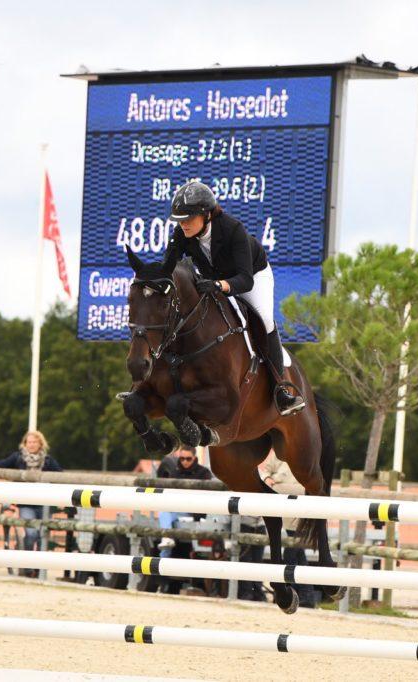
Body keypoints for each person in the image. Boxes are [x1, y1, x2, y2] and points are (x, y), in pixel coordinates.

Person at [162, 181, 306, 416]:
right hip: (214, 278)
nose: (183, 223)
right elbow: (168, 265)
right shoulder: (183, 233)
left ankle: (281, 389)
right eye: (180, 219)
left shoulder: (233, 229)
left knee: (264, 320)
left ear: (206, 215)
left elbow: (245, 280)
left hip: (251, 276)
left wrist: (220, 285)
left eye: (188, 218)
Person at [0, 430, 62, 557]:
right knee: (31, 534)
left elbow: (61, 476)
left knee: (42, 535)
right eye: (29, 442)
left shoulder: (48, 461)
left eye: (34, 442)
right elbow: (1, 465)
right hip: (26, 503)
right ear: (25, 444)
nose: (31, 445)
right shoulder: (18, 458)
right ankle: (27, 567)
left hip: (44, 503)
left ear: (40, 444)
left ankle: (38, 569)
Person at [258, 451, 319, 608]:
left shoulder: (308, 451)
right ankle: (304, 594)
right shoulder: (279, 453)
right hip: (281, 508)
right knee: (297, 552)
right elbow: (264, 471)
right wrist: (268, 479)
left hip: (300, 507)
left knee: (292, 552)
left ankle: (292, 592)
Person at [155, 445, 212, 559]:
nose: (185, 462)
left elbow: (207, 496)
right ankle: (164, 552)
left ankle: (166, 543)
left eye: (188, 459)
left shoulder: (204, 473)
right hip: (178, 509)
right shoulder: (175, 473)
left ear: (194, 458)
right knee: (164, 511)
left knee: (165, 514)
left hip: (196, 512)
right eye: (182, 458)